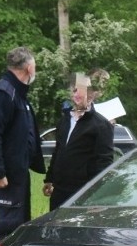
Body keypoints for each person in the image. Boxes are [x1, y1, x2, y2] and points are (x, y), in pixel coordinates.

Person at [0, 46, 46, 246]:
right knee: (6, 230)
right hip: (5, 179)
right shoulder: (2, 93)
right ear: (29, 68)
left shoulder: (19, 94)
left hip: (18, 175)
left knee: (19, 228)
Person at [42, 70, 115, 210]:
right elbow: (58, 151)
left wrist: (98, 195)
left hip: (83, 192)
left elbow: (104, 162)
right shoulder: (64, 120)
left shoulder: (101, 125)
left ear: (92, 94)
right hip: (60, 191)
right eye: (74, 90)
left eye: (83, 91)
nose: (77, 94)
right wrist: (49, 179)